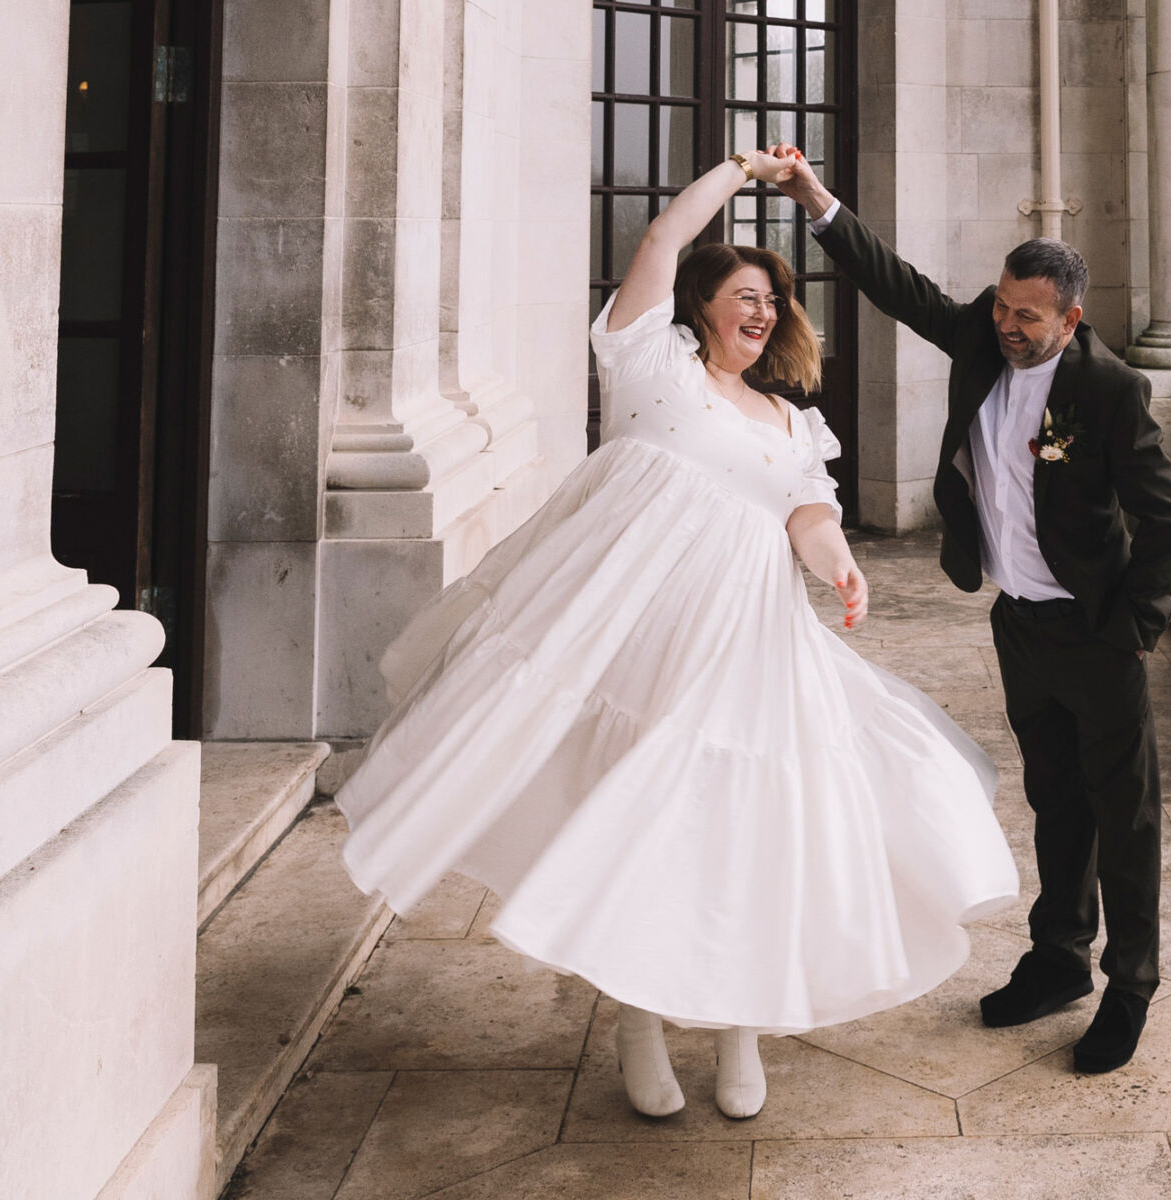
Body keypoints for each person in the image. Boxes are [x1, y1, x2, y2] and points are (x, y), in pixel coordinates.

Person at [334, 147, 1018, 1121]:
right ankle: (642, 1016)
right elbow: (661, 237)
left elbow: (807, 516)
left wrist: (843, 567)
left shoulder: (791, 420)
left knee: (747, 828)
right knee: (638, 821)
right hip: (640, 637)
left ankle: (740, 1023)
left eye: (772, 301)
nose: (762, 310)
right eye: (744, 293)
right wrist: (738, 174)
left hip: (753, 648)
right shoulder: (648, 360)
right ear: (701, 305)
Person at [772, 145, 1171, 1074]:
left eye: (1026, 315)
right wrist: (815, 199)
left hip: (1096, 635)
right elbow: (899, 286)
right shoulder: (980, 339)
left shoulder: (1110, 390)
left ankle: (1129, 989)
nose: (1006, 324)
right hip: (1018, 624)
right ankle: (1059, 960)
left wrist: (1132, 633)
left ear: (1068, 319)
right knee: (1055, 799)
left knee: (1126, 818)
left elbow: (1166, 520)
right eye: (1000, 305)